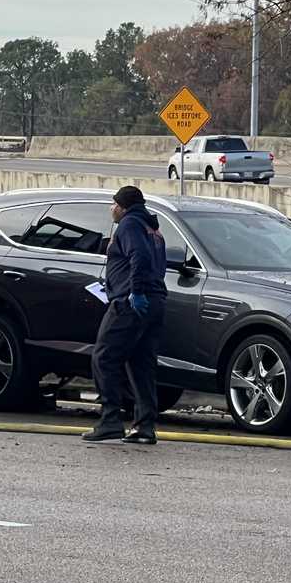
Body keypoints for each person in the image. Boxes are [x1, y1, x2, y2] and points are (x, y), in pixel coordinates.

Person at [83, 186, 168, 445]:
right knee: (141, 364)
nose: (112, 208)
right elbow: (157, 263)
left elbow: (139, 258)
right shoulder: (152, 229)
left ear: (123, 206)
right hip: (155, 302)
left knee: (103, 357)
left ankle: (110, 420)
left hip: (130, 302)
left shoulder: (129, 225)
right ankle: (145, 426)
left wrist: (135, 291)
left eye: (114, 204)